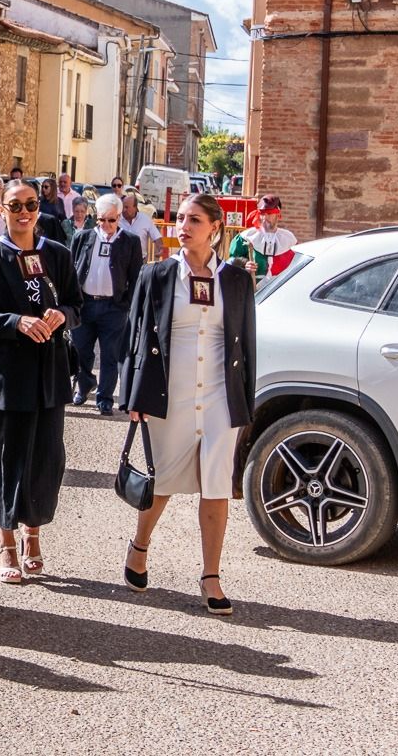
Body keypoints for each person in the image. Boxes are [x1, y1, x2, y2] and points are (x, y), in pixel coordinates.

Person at [120, 193, 256, 616]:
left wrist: (243, 405)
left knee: (215, 485)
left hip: (218, 394)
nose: (183, 226)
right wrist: (134, 396)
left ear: (215, 227)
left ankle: (211, 576)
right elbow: (135, 336)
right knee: (162, 481)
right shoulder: (156, 275)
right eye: (180, 218)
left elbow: (246, 344)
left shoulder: (234, 280)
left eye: (194, 219)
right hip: (169, 392)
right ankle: (139, 546)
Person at [0, 180, 81, 584]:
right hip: (3, 377)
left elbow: (76, 304)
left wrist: (61, 315)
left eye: (30, 204)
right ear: (2, 208)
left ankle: (34, 535)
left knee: (45, 462)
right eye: (15, 206)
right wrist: (16, 322)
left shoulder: (58, 255)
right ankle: (8, 543)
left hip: (48, 376)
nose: (23, 212)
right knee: (7, 462)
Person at [68, 194, 143, 416]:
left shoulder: (130, 241)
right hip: (85, 304)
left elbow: (136, 276)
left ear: (119, 217)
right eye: (102, 220)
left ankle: (105, 398)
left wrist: (126, 304)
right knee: (81, 350)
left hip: (114, 307)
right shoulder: (83, 237)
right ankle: (84, 384)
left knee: (110, 355)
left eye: (111, 220)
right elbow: (72, 270)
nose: (106, 225)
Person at [229, 194, 298, 280]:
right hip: (253, 290)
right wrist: (243, 266)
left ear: (278, 215)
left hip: (280, 289)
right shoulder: (246, 237)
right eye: (262, 214)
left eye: (269, 214)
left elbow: (296, 267)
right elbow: (230, 264)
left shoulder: (289, 239)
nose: (264, 218)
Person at [120, 193, 163, 262]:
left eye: (127, 207)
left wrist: (160, 248)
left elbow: (156, 236)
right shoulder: (116, 220)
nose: (124, 210)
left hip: (139, 261)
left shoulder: (145, 219)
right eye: (123, 207)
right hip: (120, 260)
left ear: (135, 207)